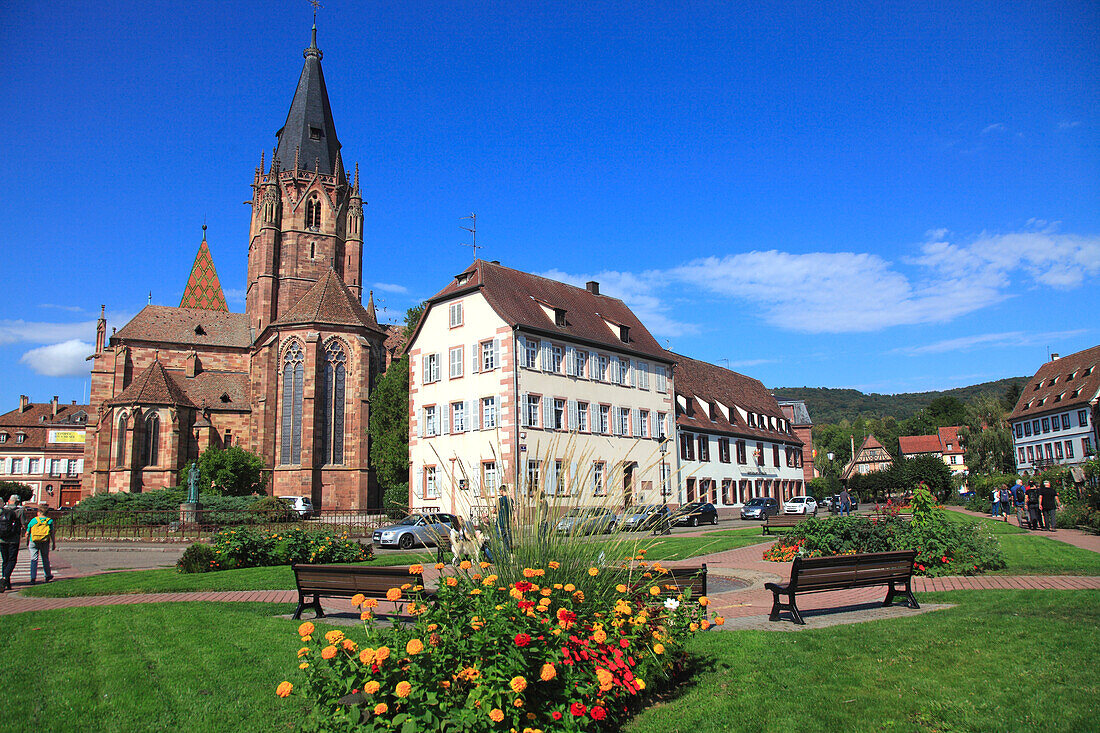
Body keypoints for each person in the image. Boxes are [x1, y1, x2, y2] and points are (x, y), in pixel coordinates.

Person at [0, 495, 27, 591]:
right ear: (18, 502)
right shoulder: (19, 511)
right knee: (12, 560)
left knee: (5, 560)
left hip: (2, 539)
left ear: (9, 501)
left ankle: (7, 583)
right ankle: (4, 579)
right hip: (13, 539)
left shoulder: (2, 510)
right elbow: (24, 524)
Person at [26, 506, 56, 584]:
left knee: (34, 559)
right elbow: (52, 533)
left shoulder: (34, 520)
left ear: (39, 512)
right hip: (45, 541)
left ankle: (33, 577)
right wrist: (53, 543)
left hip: (34, 541)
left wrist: (27, 541)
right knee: (45, 558)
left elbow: (27, 532)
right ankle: (47, 575)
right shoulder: (49, 521)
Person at [496, 485, 514, 553]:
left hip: (500, 524)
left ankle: (502, 559)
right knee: (507, 543)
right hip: (507, 524)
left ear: (501, 491)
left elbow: (495, 510)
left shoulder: (501, 500)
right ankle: (508, 558)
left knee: (500, 543)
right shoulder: (511, 500)